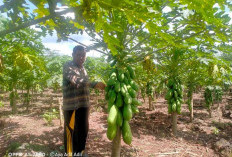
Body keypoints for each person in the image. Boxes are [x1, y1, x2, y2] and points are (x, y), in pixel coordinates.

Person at [62, 45, 105, 157]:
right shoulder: (68, 66)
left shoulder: (83, 69)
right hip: (72, 106)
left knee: (83, 130)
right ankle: (70, 154)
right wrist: (94, 84)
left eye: (83, 55)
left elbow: (84, 84)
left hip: (84, 105)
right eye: (78, 55)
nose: (81, 57)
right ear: (73, 55)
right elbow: (75, 80)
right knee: (71, 133)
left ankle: (80, 152)